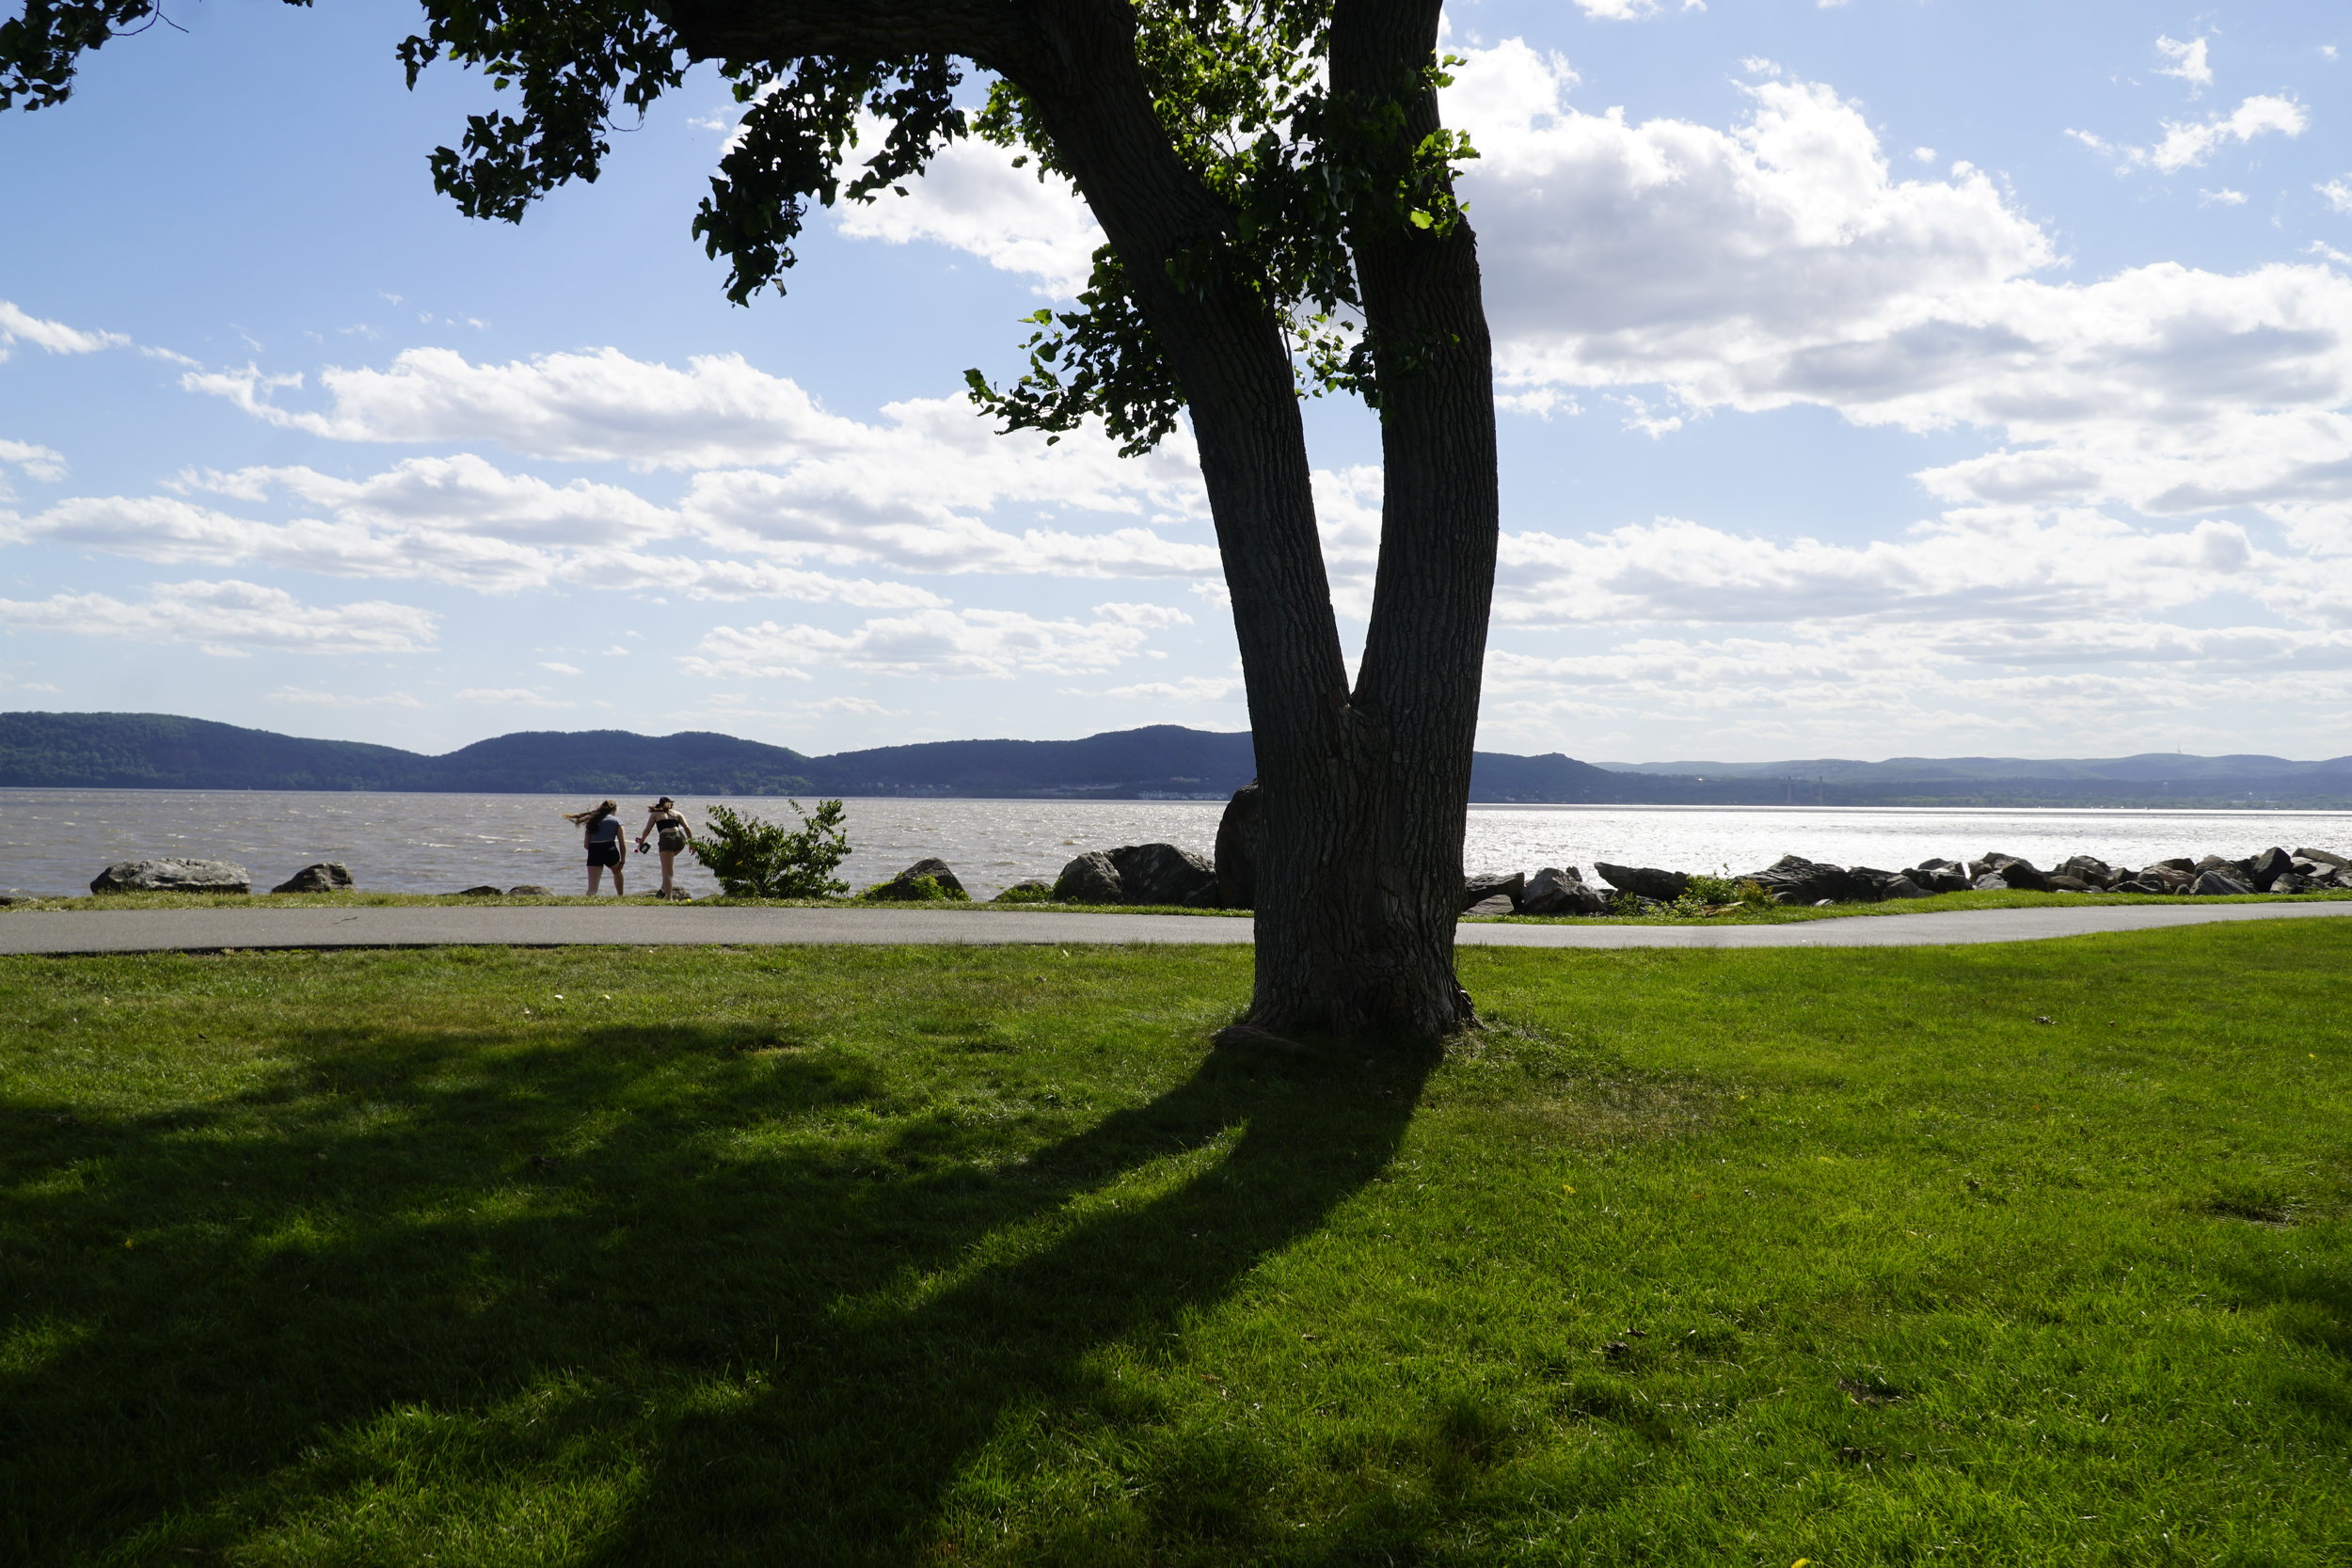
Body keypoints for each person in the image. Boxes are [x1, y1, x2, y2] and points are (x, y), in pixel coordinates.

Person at [635, 796, 695, 900]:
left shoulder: (655, 814)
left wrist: (642, 840)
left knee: (666, 872)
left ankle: (669, 898)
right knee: (669, 867)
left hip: (666, 839)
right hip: (680, 840)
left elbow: (647, 829)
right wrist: (692, 844)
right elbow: (687, 828)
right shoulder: (677, 813)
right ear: (671, 804)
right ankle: (664, 888)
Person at [564, 800, 628, 895]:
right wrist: (622, 861)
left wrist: (596, 852)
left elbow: (586, 845)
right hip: (609, 848)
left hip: (594, 849)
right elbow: (622, 844)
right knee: (617, 871)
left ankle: (588, 904)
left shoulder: (592, 821)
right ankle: (620, 896)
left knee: (592, 888)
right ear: (614, 809)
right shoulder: (617, 821)